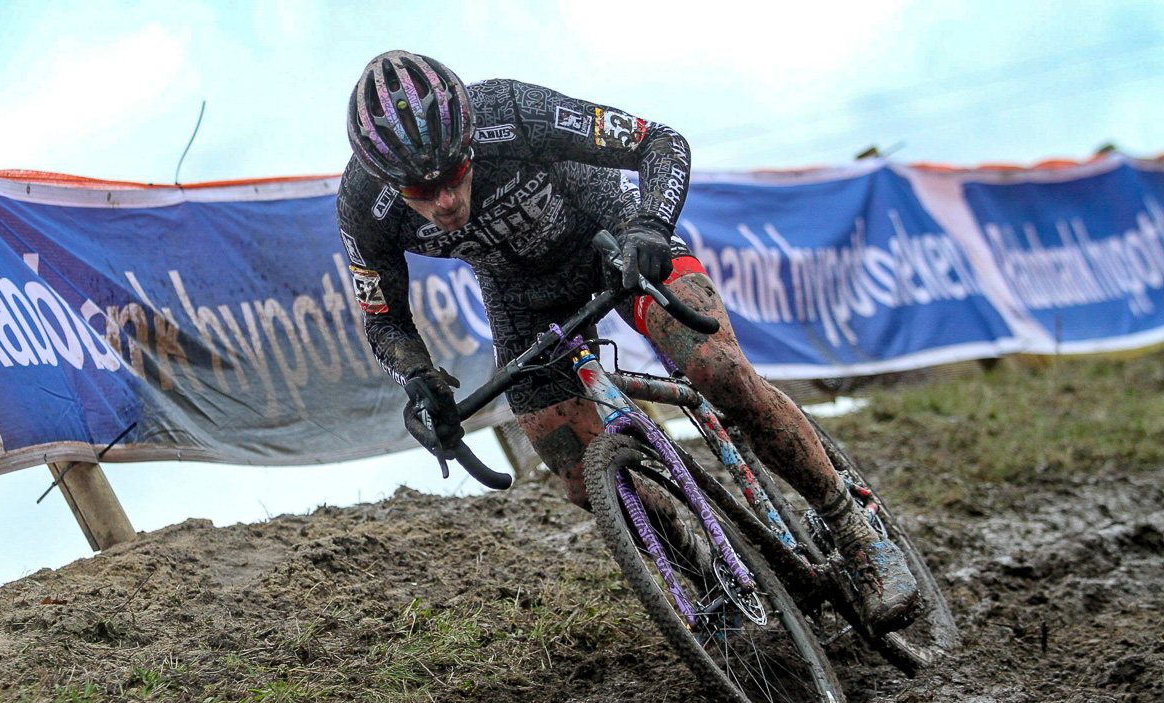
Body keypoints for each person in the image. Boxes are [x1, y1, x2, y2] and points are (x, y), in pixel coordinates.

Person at [336, 50, 920, 633]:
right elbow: (383, 318)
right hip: (521, 296)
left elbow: (660, 143)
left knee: (719, 371)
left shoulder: (512, 111)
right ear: (387, 180)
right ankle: (717, 571)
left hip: (609, 235)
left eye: (454, 174)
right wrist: (417, 381)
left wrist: (650, 227)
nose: (442, 201)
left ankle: (853, 525)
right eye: (420, 188)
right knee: (579, 471)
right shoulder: (364, 205)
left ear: (469, 140)